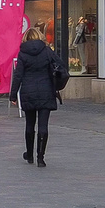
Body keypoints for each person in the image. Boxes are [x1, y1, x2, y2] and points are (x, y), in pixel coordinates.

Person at [10, 27, 63, 166]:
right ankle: (41, 157)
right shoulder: (47, 51)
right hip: (46, 90)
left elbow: (18, 75)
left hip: (28, 91)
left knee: (29, 124)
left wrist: (13, 95)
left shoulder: (23, 53)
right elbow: (60, 66)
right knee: (43, 125)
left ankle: (29, 155)